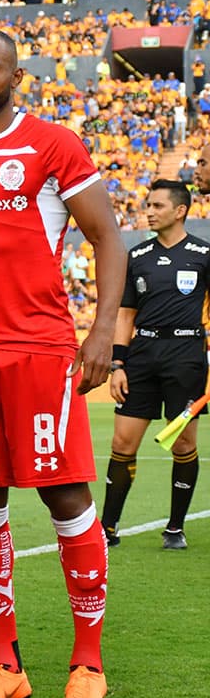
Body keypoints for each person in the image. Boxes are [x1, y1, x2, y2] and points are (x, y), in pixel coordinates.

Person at [0, 28, 127, 698]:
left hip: (40, 349)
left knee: (65, 496)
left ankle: (89, 665)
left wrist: (102, 329)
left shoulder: (52, 144)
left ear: (16, 75)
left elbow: (107, 235)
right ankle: (6, 666)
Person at [102, 181, 209, 550]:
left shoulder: (203, 254)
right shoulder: (139, 256)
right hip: (142, 355)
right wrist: (118, 363)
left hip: (186, 356)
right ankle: (108, 527)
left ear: (180, 211)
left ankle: (175, 527)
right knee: (122, 442)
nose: (149, 210)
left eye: (157, 205)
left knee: (183, 444)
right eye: (148, 203)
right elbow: (126, 313)